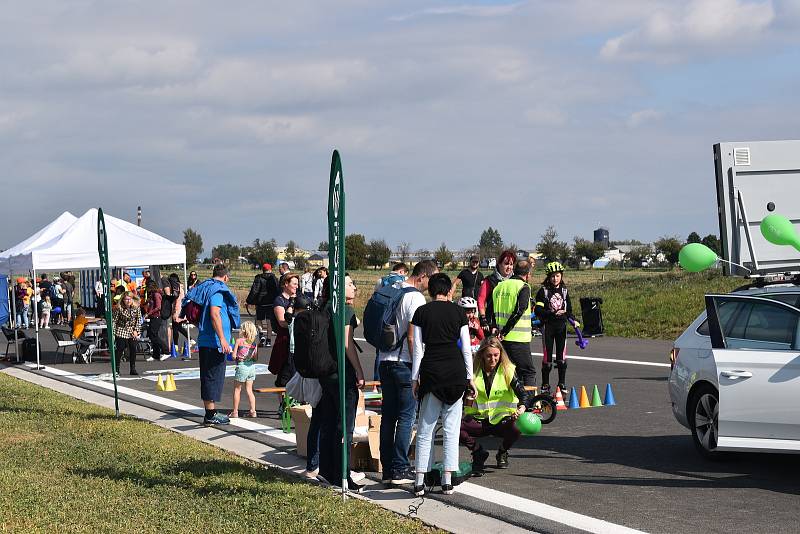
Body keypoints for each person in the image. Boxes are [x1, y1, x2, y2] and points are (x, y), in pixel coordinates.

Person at [410, 273, 473, 496]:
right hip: (456, 373)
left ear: (430, 291)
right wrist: (470, 377)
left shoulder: (421, 312)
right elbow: (466, 347)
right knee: (451, 429)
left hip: (431, 372)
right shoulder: (458, 312)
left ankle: (419, 481)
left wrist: (414, 379)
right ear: (448, 291)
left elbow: (418, 349)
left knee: (425, 429)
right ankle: (447, 481)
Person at [378, 259, 438, 486]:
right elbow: (413, 336)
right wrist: (418, 367)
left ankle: (387, 468)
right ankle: (400, 468)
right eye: (431, 280)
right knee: (406, 417)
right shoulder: (415, 297)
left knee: (388, 416)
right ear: (423, 276)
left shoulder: (393, 289)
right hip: (403, 362)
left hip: (385, 360)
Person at [316, 274, 367, 491]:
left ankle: (326, 471)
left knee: (328, 422)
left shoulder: (325, 307)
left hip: (326, 373)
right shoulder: (344, 310)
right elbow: (347, 343)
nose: (354, 287)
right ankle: (343, 475)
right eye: (349, 284)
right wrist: (359, 370)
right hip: (342, 373)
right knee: (345, 426)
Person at [460, 336, 529, 475]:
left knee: (518, 426)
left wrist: (521, 408)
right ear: (482, 355)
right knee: (453, 427)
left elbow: (524, 395)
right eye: (489, 356)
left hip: (502, 420)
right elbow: (462, 397)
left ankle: (503, 451)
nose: (493, 359)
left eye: (496, 355)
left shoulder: (508, 370)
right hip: (480, 420)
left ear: (501, 354)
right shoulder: (473, 372)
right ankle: (478, 452)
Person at [186, 264, 240, 426]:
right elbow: (214, 314)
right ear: (225, 277)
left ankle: (211, 412)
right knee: (212, 377)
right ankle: (210, 415)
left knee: (210, 376)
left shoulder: (206, 287)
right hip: (214, 342)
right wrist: (222, 339)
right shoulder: (217, 290)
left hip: (207, 339)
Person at [492, 259, 537, 388]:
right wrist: (506, 330)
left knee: (510, 372)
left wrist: (498, 330)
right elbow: (519, 311)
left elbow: (490, 310)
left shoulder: (499, 286)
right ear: (528, 274)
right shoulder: (523, 287)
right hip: (518, 339)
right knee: (528, 371)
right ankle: (527, 404)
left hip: (501, 339)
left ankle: (511, 402)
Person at [534, 262, 577, 394]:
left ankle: (561, 384)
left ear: (561, 276)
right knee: (547, 359)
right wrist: (552, 313)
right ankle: (545, 385)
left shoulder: (564, 291)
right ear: (548, 277)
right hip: (548, 326)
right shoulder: (543, 291)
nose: (555, 278)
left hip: (561, 326)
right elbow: (538, 310)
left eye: (557, 276)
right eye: (552, 276)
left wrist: (573, 319)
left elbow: (568, 309)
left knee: (561, 358)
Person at [477, 250, 516, 335]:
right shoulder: (490, 280)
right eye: (506, 264)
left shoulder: (515, 281)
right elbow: (481, 299)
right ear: (499, 264)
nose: (509, 267)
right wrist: (483, 318)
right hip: (492, 323)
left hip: (510, 324)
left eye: (511, 264)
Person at [269, 273, 298, 387]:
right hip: (285, 340)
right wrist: (298, 324)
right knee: (284, 372)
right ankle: (283, 403)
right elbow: (282, 322)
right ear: (286, 284)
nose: (297, 286)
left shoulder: (297, 297)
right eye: (294, 284)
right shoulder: (279, 301)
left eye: (297, 284)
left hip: (296, 339)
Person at [229, 321, 259, 418]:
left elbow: (233, 356)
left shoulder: (239, 341)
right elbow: (255, 358)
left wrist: (234, 354)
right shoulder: (254, 343)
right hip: (251, 367)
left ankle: (235, 411)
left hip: (241, 366)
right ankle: (253, 411)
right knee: (249, 390)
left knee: (237, 389)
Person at [246, 263, 279, 347]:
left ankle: (261, 335)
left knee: (259, 320)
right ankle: (268, 341)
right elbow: (277, 290)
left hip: (260, 302)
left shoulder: (258, 278)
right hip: (271, 302)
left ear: (263, 269)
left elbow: (254, 290)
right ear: (270, 269)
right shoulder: (274, 278)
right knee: (269, 321)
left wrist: (249, 300)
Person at [112, 292, 142, 376]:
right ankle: (116, 369)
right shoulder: (119, 308)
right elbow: (114, 321)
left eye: (129, 299)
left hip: (132, 330)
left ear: (132, 299)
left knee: (133, 348)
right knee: (120, 348)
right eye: (126, 299)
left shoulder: (136, 307)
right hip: (121, 329)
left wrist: (136, 331)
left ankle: (133, 368)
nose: (128, 301)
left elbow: (139, 320)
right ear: (123, 300)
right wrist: (113, 333)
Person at [143, 279, 169, 362]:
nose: (146, 289)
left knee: (154, 335)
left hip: (157, 316)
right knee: (151, 335)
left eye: (147, 287)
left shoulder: (156, 294)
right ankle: (156, 354)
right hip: (153, 317)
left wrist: (149, 313)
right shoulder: (152, 294)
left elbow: (158, 307)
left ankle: (166, 351)